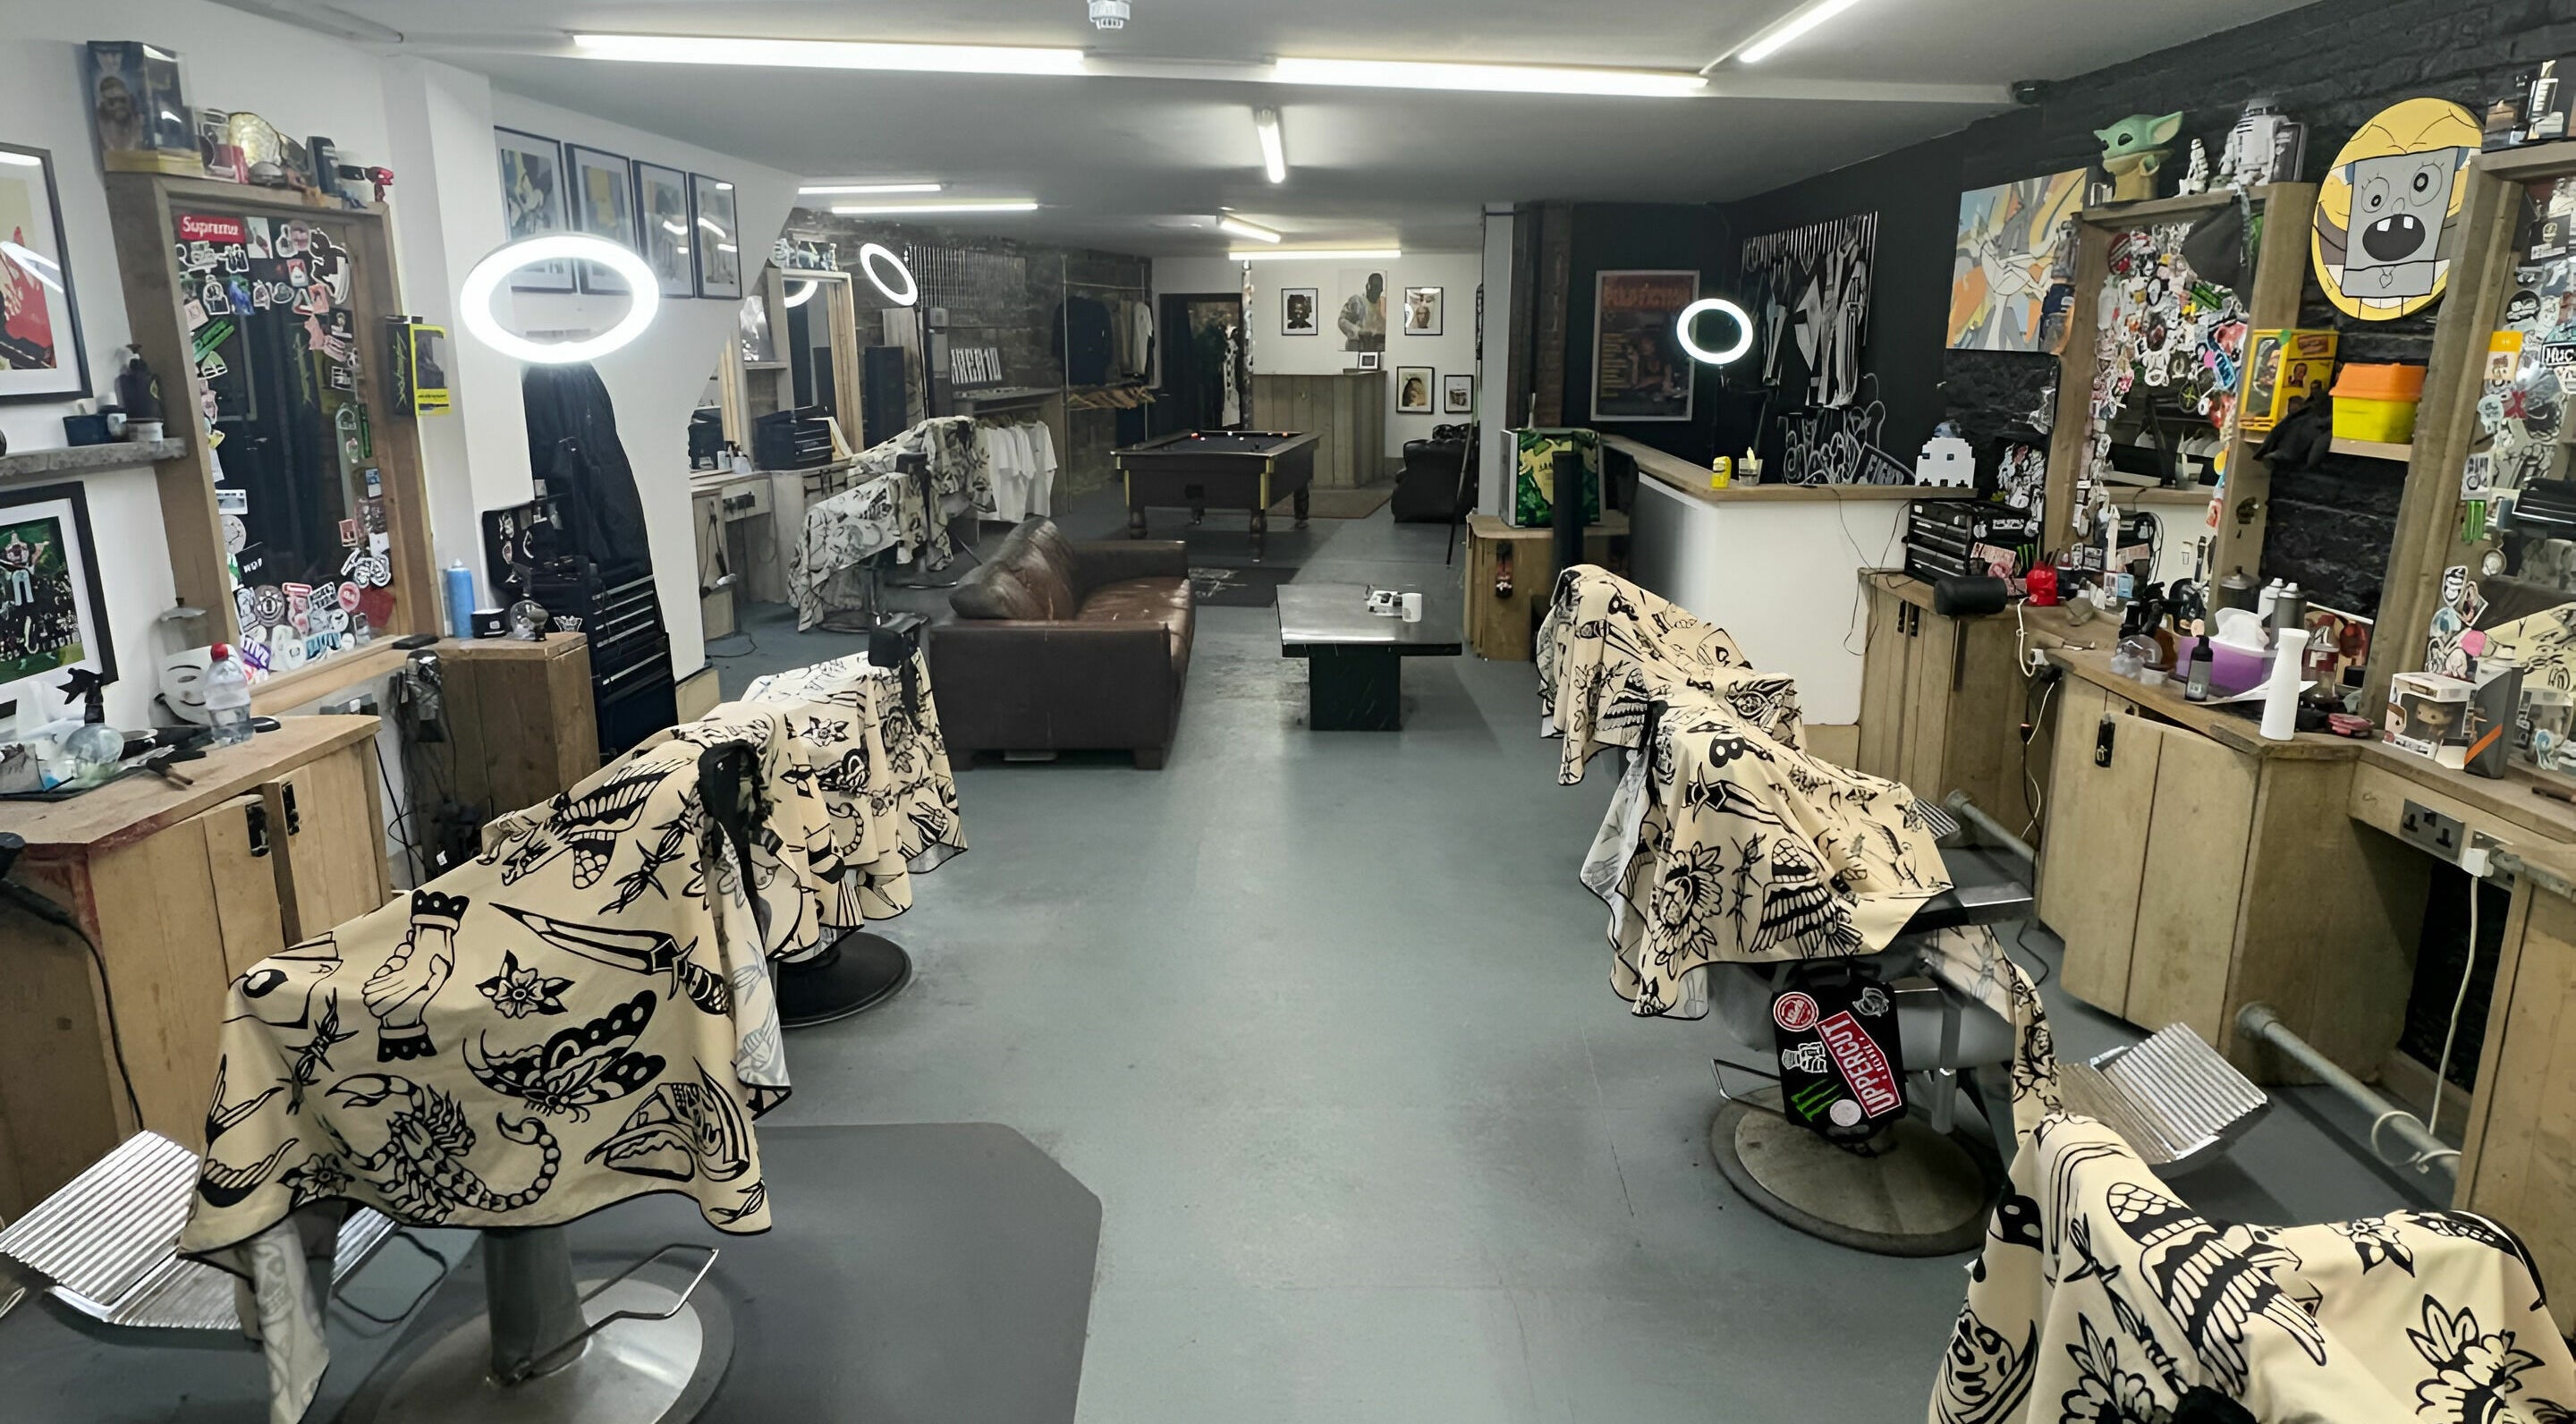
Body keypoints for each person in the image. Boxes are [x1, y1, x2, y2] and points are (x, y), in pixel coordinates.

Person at [1339, 273, 1385, 352]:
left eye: (1379, 289)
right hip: (1358, 348)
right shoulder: (1357, 302)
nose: (1376, 292)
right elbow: (1342, 321)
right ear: (1368, 287)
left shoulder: (1384, 304)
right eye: (1374, 288)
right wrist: (1358, 332)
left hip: (1378, 349)